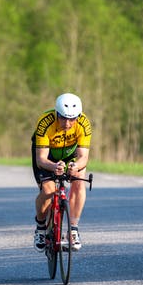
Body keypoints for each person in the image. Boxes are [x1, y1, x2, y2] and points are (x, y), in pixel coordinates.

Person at [31, 93, 92, 252]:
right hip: (48, 154)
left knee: (79, 180)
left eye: (72, 119)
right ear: (56, 114)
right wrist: (53, 167)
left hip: (71, 154)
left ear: (78, 117)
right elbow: (41, 159)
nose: (68, 122)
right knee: (48, 190)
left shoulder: (84, 124)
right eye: (64, 118)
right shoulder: (45, 122)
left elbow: (83, 157)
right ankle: (41, 227)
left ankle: (73, 229)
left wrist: (75, 166)